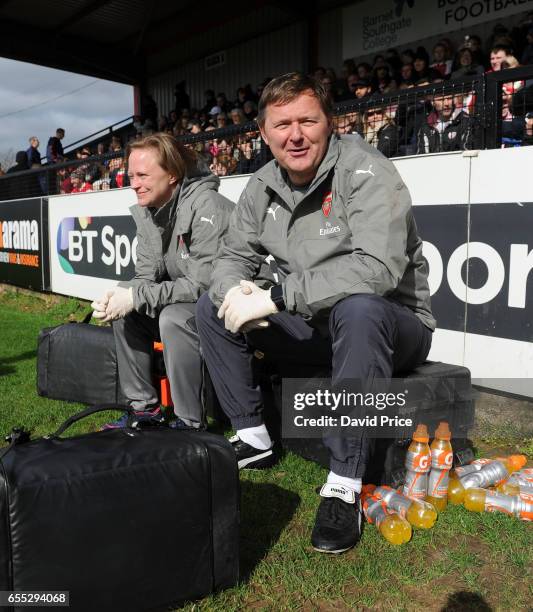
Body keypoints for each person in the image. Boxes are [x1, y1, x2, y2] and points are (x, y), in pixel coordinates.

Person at [195, 72, 434, 554]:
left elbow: (376, 270)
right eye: (281, 124)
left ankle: (344, 485)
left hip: (392, 323)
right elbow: (227, 262)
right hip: (314, 321)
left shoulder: (367, 170)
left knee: (360, 309)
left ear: (331, 124)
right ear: (263, 132)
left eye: (308, 120)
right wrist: (237, 290)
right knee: (210, 304)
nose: (295, 134)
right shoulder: (260, 186)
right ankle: (253, 435)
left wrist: (277, 297)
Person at [91, 133, 234, 430]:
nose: (133, 183)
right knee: (126, 311)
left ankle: (190, 423)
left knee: (172, 317)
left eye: (142, 175)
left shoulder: (208, 205)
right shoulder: (148, 210)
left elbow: (203, 284)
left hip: (224, 306)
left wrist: (137, 295)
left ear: (172, 175)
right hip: (189, 299)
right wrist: (119, 295)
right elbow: (145, 275)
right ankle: (145, 410)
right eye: (130, 175)